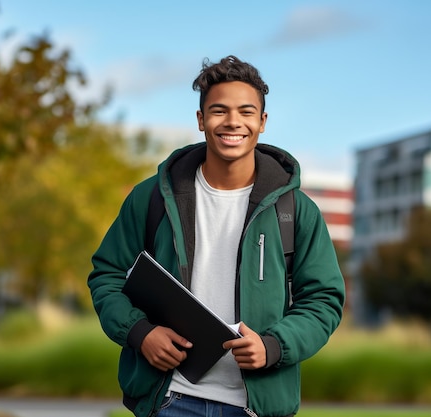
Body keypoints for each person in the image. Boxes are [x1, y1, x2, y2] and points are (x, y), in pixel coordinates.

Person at [88, 56, 345, 417]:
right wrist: (140, 333)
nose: (233, 122)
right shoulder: (150, 199)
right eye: (219, 110)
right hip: (168, 399)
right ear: (200, 120)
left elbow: (324, 300)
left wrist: (274, 346)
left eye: (246, 111)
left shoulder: (296, 210)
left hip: (256, 407)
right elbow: (107, 276)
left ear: (262, 122)